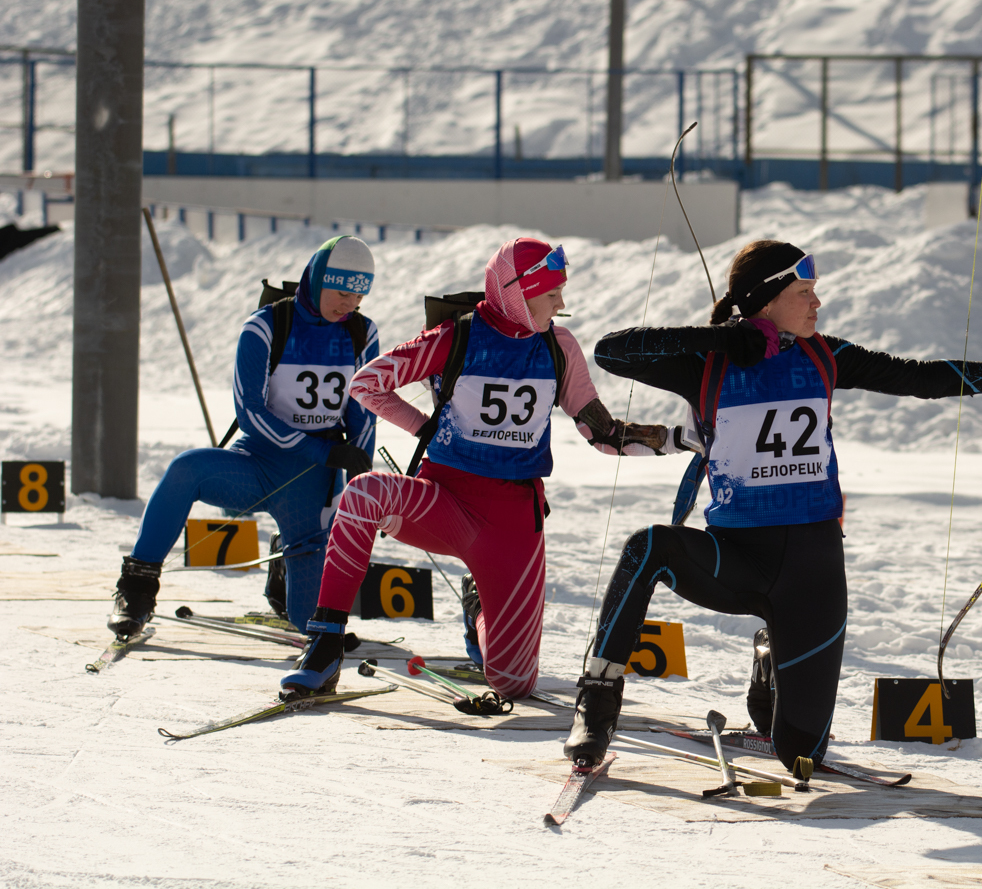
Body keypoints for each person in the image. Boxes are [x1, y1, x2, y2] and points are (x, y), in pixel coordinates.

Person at [564, 239, 982, 772]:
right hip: (736, 557)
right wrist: (730, 339)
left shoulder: (824, 354)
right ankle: (599, 699)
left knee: (799, 755)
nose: (817, 304)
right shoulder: (708, 361)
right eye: (805, 292)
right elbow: (613, 350)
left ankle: (771, 661)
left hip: (811, 572)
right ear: (767, 301)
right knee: (647, 546)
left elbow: (922, 378)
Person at [280, 237, 676, 702]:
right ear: (517, 292)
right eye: (552, 294)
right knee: (363, 495)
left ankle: (479, 609)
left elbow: (604, 434)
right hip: (444, 500)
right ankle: (324, 643)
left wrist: (679, 439)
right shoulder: (457, 337)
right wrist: (424, 428)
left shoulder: (559, 346)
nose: (562, 304)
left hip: (512, 524)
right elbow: (367, 384)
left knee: (513, 683)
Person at [109, 235, 381, 638]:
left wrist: (360, 483)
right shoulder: (266, 326)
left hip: (312, 486)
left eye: (358, 298)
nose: (348, 305)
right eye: (341, 292)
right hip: (256, 466)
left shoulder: (362, 332)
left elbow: (364, 413)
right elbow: (250, 413)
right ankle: (136, 587)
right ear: (319, 278)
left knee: (308, 621)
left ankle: (285, 563)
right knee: (185, 470)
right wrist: (320, 450)